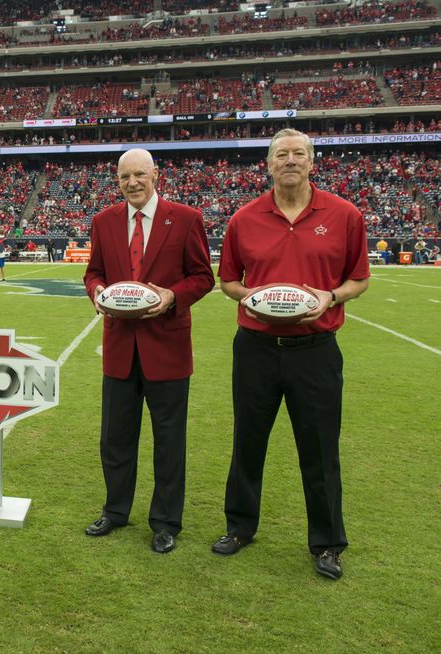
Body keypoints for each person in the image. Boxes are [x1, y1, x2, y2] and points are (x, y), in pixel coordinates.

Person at [214, 129, 370, 580]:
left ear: (311, 161)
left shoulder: (344, 214)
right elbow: (228, 282)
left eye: (298, 153)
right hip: (256, 348)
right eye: (281, 154)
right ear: (268, 164)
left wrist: (331, 296)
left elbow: (359, 279)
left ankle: (327, 543)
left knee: (320, 450)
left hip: (316, 350)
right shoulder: (244, 218)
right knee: (248, 441)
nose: (290, 160)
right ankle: (240, 527)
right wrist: (254, 295)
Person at [83, 149, 214, 554]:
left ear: (156, 175)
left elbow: (203, 276)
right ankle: (116, 509)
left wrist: (173, 295)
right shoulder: (103, 221)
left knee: (168, 441)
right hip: (120, 346)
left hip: (167, 347)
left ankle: (165, 521)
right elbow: (93, 272)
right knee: (115, 439)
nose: (133, 182)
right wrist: (97, 292)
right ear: (117, 180)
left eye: (140, 174)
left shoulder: (187, 218)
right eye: (125, 177)